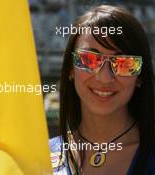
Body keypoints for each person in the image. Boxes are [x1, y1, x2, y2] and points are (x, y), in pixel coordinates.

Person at [50, 5, 155, 175]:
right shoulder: (41, 158)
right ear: (70, 69)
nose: (104, 78)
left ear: (140, 76)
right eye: (88, 60)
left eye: (123, 63)